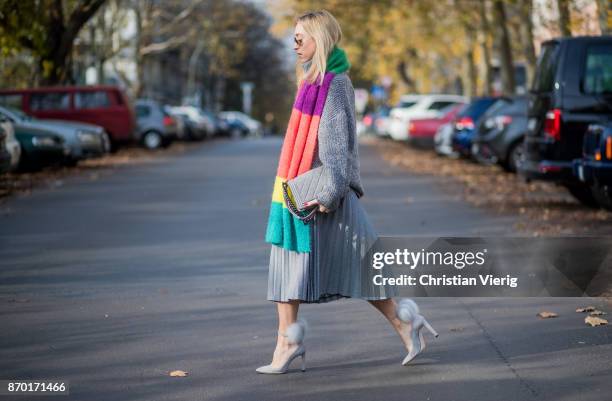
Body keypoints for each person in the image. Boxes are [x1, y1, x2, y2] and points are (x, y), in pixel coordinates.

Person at [257, 9, 438, 375]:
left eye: (300, 38)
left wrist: (328, 195)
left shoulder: (335, 84)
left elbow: (338, 149)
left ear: (319, 40)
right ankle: (287, 342)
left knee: (362, 269)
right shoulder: (309, 83)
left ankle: (406, 325)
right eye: (292, 38)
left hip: (324, 196)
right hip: (300, 192)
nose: (294, 45)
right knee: (287, 264)